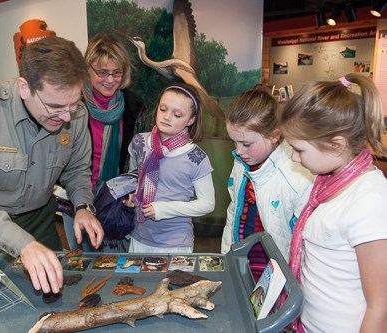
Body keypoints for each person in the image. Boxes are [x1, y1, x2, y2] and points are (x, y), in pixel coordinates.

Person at [0, 36, 104, 294]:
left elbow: (76, 170)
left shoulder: (75, 113)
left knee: (50, 295)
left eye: (72, 105)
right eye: (55, 106)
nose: (66, 117)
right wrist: (22, 244)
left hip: (37, 219)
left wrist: (84, 207)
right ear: (24, 87)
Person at [279, 73, 387, 332]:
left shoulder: (370, 201)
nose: (293, 158)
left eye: (299, 149)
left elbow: (380, 307)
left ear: (336, 145)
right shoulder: (328, 185)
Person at [62, 33, 149, 252]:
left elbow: (141, 160)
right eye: (102, 72)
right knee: (84, 261)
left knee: (117, 264)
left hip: (116, 201)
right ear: (86, 70)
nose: (110, 80)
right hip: (77, 199)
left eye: (116, 72)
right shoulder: (70, 105)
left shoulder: (134, 107)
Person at [221, 87, 314, 280]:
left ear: (274, 135)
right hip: (242, 261)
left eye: (246, 144)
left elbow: (304, 243)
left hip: (276, 270)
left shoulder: (297, 176)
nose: (238, 151)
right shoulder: (242, 162)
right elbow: (233, 211)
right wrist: (226, 257)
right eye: (234, 142)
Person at [124, 83, 215, 253]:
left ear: (191, 120)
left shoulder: (196, 157)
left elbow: (207, 204)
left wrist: (164, 209)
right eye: (163, 109)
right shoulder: (140, 142)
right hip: (139, 237)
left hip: (176, 244)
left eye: (177, 114)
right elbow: (133, 178)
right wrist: (131, 196)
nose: (167, 117)